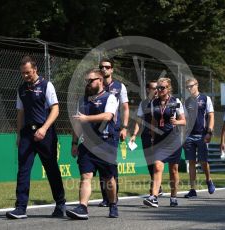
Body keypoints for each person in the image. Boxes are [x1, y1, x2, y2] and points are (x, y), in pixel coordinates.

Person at [6, 56, 66, 219]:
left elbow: (55, 109)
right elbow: (20, 113)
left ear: (35, 69)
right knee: (23, 170)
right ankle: (20, 207)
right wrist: (19, 135)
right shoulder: (21, 89)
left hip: (45, 133)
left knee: (51, 168)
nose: (25, 76)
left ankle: (60, 204)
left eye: (28, 72)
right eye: (22, 73)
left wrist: (44, 129)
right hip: (27, 134)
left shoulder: (47, 85)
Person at [67, 69, 119, 219]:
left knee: (109, 178)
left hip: (105, 143)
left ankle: (113, 204)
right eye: (87, 81)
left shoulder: (110, 98)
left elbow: (108, 116)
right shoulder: (82, 100)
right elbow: (77, 123)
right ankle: (82, 207)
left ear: (100, 80)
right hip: (87, 145)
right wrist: (74, 142)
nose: (88, 83)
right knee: (86, 176)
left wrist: (86, 119)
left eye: (91, 80)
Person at [143, 77, 186, 208]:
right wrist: (152, 136)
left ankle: (173, 197)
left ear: (168, 89)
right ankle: (154, 197)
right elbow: (153, 122)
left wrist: (176, 122)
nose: (159, 90)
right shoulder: (153, 103)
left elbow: (183, 121)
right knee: (157, 167)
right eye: (158, 88)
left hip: (173, 140)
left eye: (162, 88)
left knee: (174, 170)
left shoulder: (175, 101)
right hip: (159, 140)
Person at [98, 58, 129, 207]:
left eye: (107, 67)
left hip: (113, 129)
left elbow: (125, 108)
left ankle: (113, 196)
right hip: (96, 130)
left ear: (112, 70)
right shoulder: (95, 84)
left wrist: (124, 127)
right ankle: (105, 197)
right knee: (100, 162)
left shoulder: (119, 86)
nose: (104, 69)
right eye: (101, 67)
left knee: (110, 163)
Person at [183, 77, 215, 198]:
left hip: (202, 135)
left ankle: (208, 180)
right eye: (187, 87)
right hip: (189, 136)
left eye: (191, 86)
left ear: (197, 85)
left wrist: (210, 132)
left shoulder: (205, 99)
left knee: (203, 161)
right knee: (191, 162)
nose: (189, 89)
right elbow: (184, 119)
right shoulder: (186, 102)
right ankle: (192, 189)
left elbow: (211, 116)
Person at [129, 80, 163, 196]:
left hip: (160, 136)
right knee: (149, 162)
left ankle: (155, 186)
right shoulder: (143, 104)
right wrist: (134, 135)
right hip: (146, 136)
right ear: (148, 90)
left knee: (157, 162)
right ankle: (157, 185)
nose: (157, 91)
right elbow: (138, 121)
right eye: (154, 88)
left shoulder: (162, 102)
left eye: (158, 88)